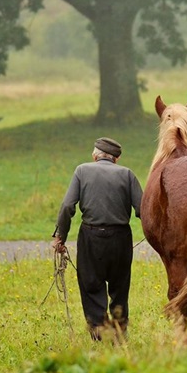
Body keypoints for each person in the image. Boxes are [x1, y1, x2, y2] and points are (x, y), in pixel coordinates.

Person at [52, 137, 143, 342]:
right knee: (120, 286)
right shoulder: (127, 174)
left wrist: (61, 237)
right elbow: (143, 209)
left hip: (91, 237)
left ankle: (99, 333)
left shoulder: (82, 171)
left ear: (95, 156)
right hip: (121, 238)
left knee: (91, 284)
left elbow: (67, 206)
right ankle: (120, 332)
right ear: (116, 159)